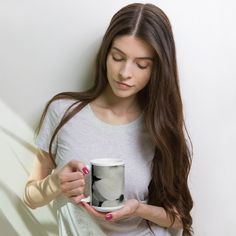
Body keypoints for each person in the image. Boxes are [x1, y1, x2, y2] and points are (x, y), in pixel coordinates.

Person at [23, 3, 193, 236]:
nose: (125, 73)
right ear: (105, 53)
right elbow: (30, 198)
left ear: (157, 70)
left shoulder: (159, 125)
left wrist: (138, 208)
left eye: (141, 64)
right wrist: (55, 183)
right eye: (117, 57)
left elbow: (178, 220)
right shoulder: (63, 112)